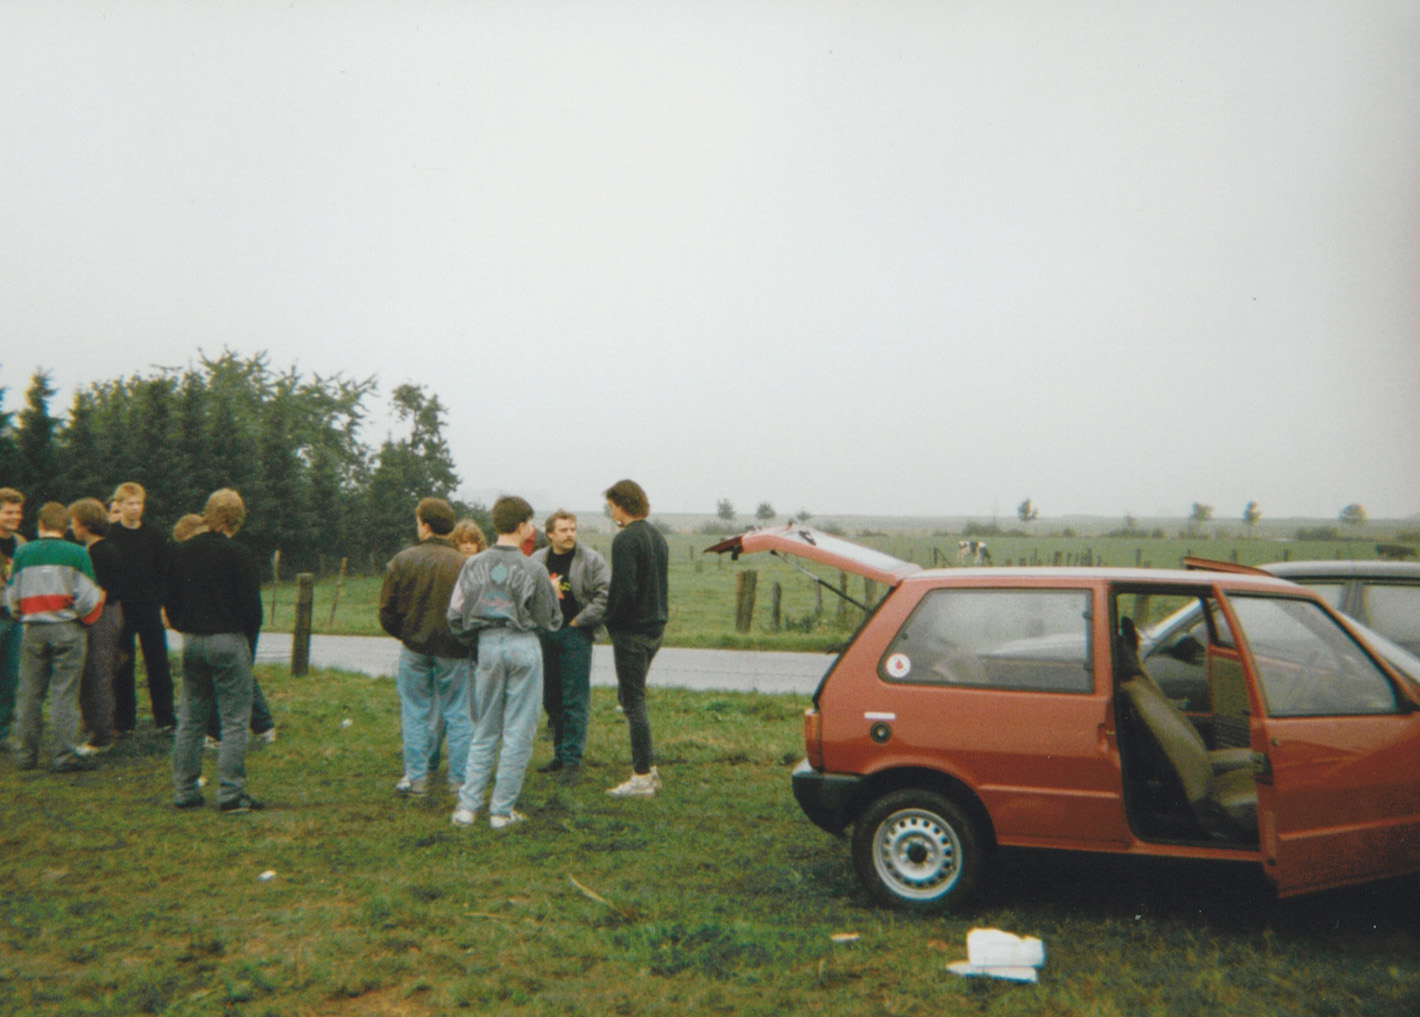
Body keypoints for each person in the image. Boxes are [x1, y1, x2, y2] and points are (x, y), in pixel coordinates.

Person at [446, 496, 561, 830]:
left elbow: (455, 613)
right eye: (530, 523)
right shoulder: (534, 569)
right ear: (522, 526)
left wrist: (474, 639)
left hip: (487, 645)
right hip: (523, 645)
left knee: (484, 728)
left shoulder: (472, 565)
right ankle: (501, 811)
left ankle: (468, 808)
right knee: (518, 731)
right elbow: (549, 618)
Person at [165, 488, 264, 813]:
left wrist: (184, 626)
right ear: (237, 519)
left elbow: (170, 599)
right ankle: (230, 793)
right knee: (234, 719)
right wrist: (247, 645)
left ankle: (184, 790)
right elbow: (252, 609)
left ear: (208, 513)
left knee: (191, 718)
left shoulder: (182, 551)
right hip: (228, 639)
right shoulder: (238, 553)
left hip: (193, 640)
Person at [378, 497, 472, 796]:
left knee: (415, 711)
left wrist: (407, 634)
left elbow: (386, 612)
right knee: (459, 713)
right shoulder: (464, 565)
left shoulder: (402, 560)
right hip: (454, 649)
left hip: (414, 648)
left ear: (426, 525)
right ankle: (460, 781)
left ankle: (416, 778)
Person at [6, 501, 105, 772]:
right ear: (66, 526)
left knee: (29, 693)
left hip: (33, 629)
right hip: (67, 628)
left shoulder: (23, 553)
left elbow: (12, 595)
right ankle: (64, 755)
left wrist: (21, 614)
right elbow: (89, 596)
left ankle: (26, 754)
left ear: (40, 525)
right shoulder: (77, 553)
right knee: (65, 693)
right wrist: (80, 617)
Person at [171, 514, 278, 750]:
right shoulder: (222, 553)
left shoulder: (214, 556)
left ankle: (226, 731)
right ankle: (260, 726)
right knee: (236, 677)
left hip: (220, 631)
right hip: (227, 631)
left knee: (223, 681)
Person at [602, 479, 669, 798]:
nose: (611, 511)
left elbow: (625, 589)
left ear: (622, 505)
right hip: (655, 627)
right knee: (635, 697)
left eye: (612, 506)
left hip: (632, 630)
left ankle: (641, 776)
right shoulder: (657, 536)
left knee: (633, 702)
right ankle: (649, 769)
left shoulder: (625, 540)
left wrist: (610, 620)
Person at [530, 510, 609, 778]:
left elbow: (606, 594)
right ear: (550, 534)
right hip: (546, 634)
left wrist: (580, 620)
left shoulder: (591, 560)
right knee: (552, 697)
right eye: (563, 530)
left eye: (573, 529)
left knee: (574, 698)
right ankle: (559, 755)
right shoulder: (537, 560)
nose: (570, 534)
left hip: (575, 635)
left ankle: (573, 760)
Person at [106, 482, 176, 735]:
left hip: (148, 607)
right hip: (121, 608)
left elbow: (164, 571)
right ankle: (124, 721)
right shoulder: (110, 535)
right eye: (130, 504)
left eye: (139, 503)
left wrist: (161, 602)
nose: (135, 508)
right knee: (123, 665)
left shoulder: (153, 536)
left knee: (158, 663)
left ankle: (165, 719)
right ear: (119, 505)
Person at [68, 498, 123, 753]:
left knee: (97, 673)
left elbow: (102, 592)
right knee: (93, 673)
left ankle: (101, 736)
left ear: (85, 524)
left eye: (74, 522)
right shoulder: (98, 549)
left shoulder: (100, 552)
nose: (72, 527)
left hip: (101, 616)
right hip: (103, 614)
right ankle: (94, 726)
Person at [0, 487, 27, 745]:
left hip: (14, 619)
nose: (15, 517)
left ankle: (3, 732)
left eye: (18, 512)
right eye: (9, 512)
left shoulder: (21, 544)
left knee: (10, 677)